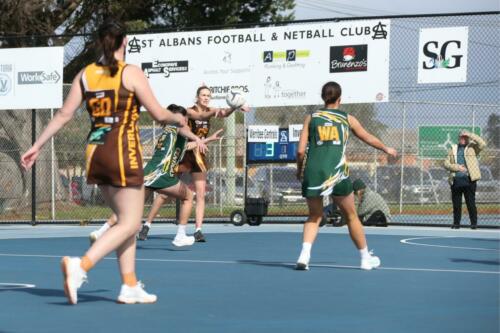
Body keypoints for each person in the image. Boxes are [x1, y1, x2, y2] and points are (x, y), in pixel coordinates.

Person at [21, 19, 189, 305]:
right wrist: (179, 118)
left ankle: (130, 284)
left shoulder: (85, 75)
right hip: (122, 149)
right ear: (125, 41)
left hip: (95, 149)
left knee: (126, 220)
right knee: (131, 223)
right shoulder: (130, 73)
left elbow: (64, 114)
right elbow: (160, 115)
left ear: (99, 41)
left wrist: (37, 145)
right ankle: (81, 266)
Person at [295, 81, 397, 271]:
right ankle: (365, 258)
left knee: (314, 216)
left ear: (323, 97)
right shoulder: (347, 118)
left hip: (314, 172)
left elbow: (300, 151)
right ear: (340, 99)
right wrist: (385, 148)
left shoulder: (311, 118)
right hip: (337, 173)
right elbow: (367, 137)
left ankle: (304, 256)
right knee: (351, 216)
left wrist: (299, 169)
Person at [90, 106, 222, 244]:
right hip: (161, 174)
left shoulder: (170, 133)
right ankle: (180, 236)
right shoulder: (175, 127)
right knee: (188, 196)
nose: (185, 119)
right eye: (182, 117)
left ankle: (100, 232)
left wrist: (208, 139)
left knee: (130, 208)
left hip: (148, 174)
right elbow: (183, 129)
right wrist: (197, 137)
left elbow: (188, 146)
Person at [177, 85, 249, 242]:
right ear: (197, 97)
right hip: (184, 152)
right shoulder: (189, 111)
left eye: (208, 95)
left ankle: (198, 230)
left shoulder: (210, 110)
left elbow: (223, 113)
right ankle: (147, 224)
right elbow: (201, 116)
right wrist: (230, 108)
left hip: (199, 153)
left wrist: (234, 107)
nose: (206, 97)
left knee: (200, 193)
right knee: (167, 192)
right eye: (203, 95)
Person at [443, 130, 486, 229]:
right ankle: (456, 223)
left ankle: (473, 223)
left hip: (469, 180)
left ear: (467, 138)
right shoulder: (453, 149)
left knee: (470, 203)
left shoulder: (472, 147)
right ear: (458, 138)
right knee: (457, 205)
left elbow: (483, 144)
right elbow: (446, 163)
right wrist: (457, 167)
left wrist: (470, 134)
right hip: (456, 180)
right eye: (461, 137)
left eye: (465, 137)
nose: (463, 139)